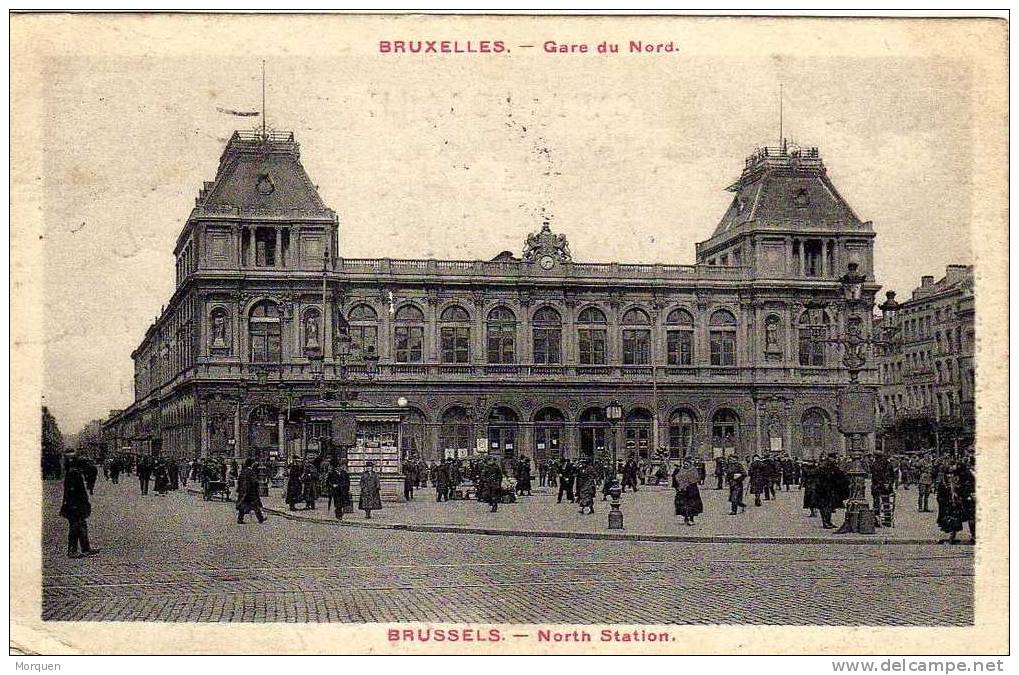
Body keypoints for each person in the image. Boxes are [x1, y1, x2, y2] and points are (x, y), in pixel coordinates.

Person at [60, 453, 98, 558]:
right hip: (74, 506)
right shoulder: (73, 474)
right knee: (75, 527)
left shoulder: (75, 473)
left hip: (78, 505)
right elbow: (71, 491)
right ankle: (72, 551)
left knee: (82, 526)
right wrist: (74, 506)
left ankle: (86, 548)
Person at [936, 458, 976, 544]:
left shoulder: (965, 475)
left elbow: (964, 487)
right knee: (957, 517)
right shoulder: (967, 473)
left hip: (966, 498)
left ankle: (973, 537)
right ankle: (954, 537)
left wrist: (959, 495)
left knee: (968, 517)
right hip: (963, 498)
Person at [813, 453, 850, 529]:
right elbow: (821, 475)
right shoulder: (825, 465)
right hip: (823, 489)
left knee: (829, 506)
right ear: (830, 458)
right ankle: (825, 522)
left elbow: (839, 473)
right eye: (834, 458)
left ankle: (828, 521)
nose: (835, 460)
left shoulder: (831, 465)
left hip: (829, 489)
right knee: (824, 506)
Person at [673, 459, 704, 526]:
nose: (685, 465)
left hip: (692, 490)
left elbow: (695, 479)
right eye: (684, 464)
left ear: (690, 464)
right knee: (683, 504)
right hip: (683, 490)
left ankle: (691, 518)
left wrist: (687, 481)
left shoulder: (693, 470)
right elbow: (677, 477)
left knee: (692, 504)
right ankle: (686, 518)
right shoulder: (681, 470)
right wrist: (681, 484)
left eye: (687, 464)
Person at [235, 458, 267, 524]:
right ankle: (260, 519)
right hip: (250, 492)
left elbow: (239, 481)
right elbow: (254, 482)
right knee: (255, 506)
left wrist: (240, 489)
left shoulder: (243, 472)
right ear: (251, 465)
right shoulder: (251, 472)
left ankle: (240, 519)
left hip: (243, 491)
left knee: (242, 505)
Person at [869, 449, 896, 513]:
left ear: (876, 456)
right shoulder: (888, 464)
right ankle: (887, 518)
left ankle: (876, 518)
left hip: (877, 486)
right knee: (886, 503)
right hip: (886, 487)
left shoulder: (874, 465)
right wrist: (889, 484)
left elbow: (874, 476)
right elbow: (892, 476)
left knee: (876, 503)